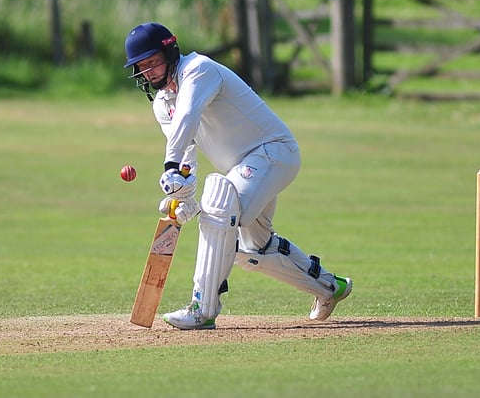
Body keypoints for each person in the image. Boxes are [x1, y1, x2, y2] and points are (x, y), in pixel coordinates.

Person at [123, 22, 352, 330]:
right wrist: (182, 194)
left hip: (273, 151)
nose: (148, 72)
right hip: (246, 167)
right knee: (252, 250)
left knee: (219, 201)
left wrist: (169, 166)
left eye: (153, 62)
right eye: (141, 67)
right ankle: (330, 287)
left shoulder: (198, 70)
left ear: (169, 51)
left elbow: (189, 116)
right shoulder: (164, 104)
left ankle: (202, 308)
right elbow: (186, 153)